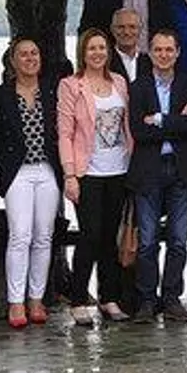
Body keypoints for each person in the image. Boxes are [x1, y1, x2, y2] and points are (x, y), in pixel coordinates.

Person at [127, 30, 187, 323]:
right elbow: (139, 131)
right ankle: (147, 300)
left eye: (169, 50)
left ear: (178, 52)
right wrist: (177, 122)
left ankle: (172, 299)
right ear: (150, 53)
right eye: (158, 50)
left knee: (178, 240)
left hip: (181, 169)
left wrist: (159, 120)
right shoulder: (138, 87)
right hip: (149, 169)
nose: (163, 55)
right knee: (147, 241)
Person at [58, 28, 134, 325]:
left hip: (119, 169)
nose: (98, 53)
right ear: (83, 52)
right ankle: (78, 299)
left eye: (102, 48)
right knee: (89, 235)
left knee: (110, 237)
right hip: (87, 171)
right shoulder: (71, 85)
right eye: (92, 48)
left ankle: (108, 297)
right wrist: (70, 175)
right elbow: (65, 133)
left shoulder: (119, 82)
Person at [0, 38, 61, 329]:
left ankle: (36, 298)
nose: (30, 59)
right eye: (24, 55)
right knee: (20, 235)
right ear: (13, 61)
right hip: (18, 170)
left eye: (34, 53)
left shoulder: (52, 90)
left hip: (48, 169)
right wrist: (7, 167)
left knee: (44, 235)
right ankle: (15, 300)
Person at [108, 8, 151, 84]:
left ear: (140, 29)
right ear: (112, 29)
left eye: (132, 27)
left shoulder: (149, 62)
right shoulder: (105, 61)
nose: (126, 32)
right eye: (121, 27)